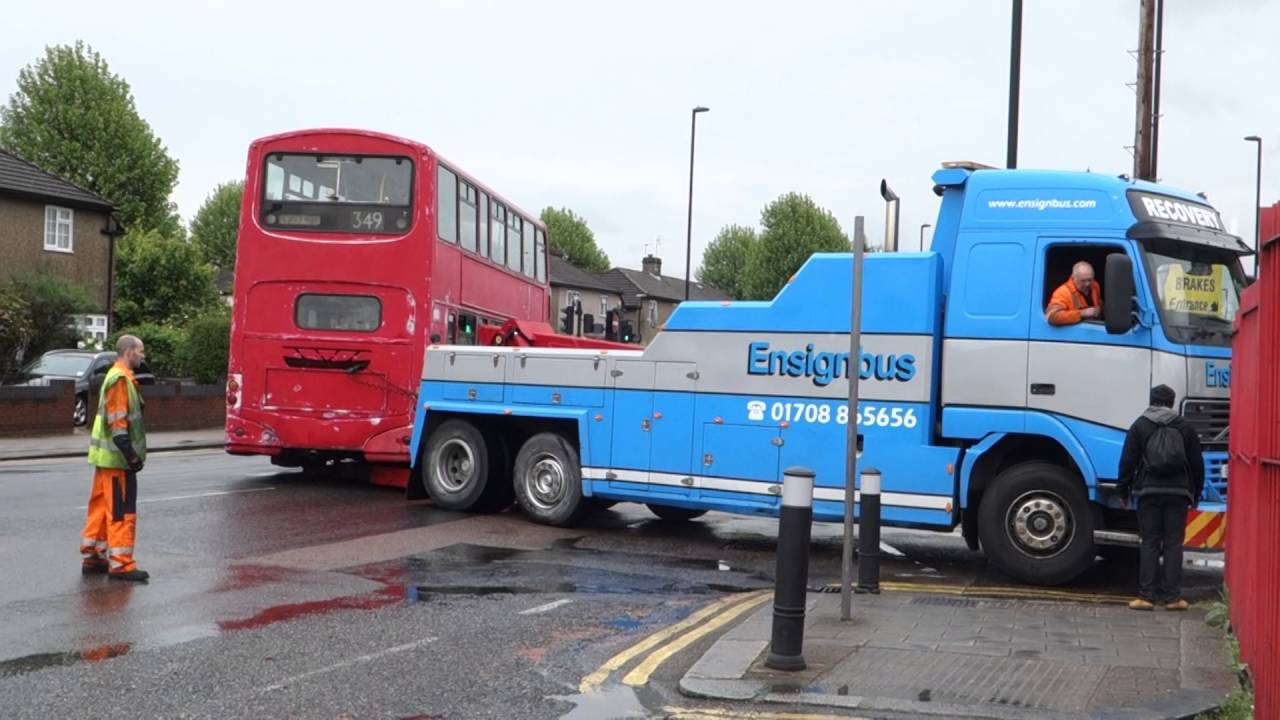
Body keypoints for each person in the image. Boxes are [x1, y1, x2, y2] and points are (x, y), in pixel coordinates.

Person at [1117, 384, 1204, 611]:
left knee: (1150, 542)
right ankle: (1173, 598)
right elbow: (1197, 464)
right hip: (1178, 492)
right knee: (1174, 543)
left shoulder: (1140, 425)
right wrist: (1196, 492)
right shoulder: (1185, 427)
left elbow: (1128, 460)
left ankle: (1146, 597)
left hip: (1148, 491)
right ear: (1172, 402)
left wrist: (1123, 490)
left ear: (1151, 400)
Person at [80, 335, 150, 582]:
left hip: (105, 458)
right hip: (118, 459)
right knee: (120, 509)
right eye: (140, 351)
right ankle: (121, 564)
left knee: (100, 507)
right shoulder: (120, 380)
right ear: (129, 351)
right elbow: (118, 424)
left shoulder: (117, 377)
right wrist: (131, 455)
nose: (143, 356)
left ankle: (94, 556)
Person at [1046, 261, 1104, 326]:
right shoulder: (1063, 292)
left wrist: (1100, 309)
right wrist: (1082, 313)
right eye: (1083, 280)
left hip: (1095, 328)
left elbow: (1099, 303)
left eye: (1090, 280)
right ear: (1073, 277)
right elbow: (1052, 317)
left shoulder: (1095, 285)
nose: (1087, 284)